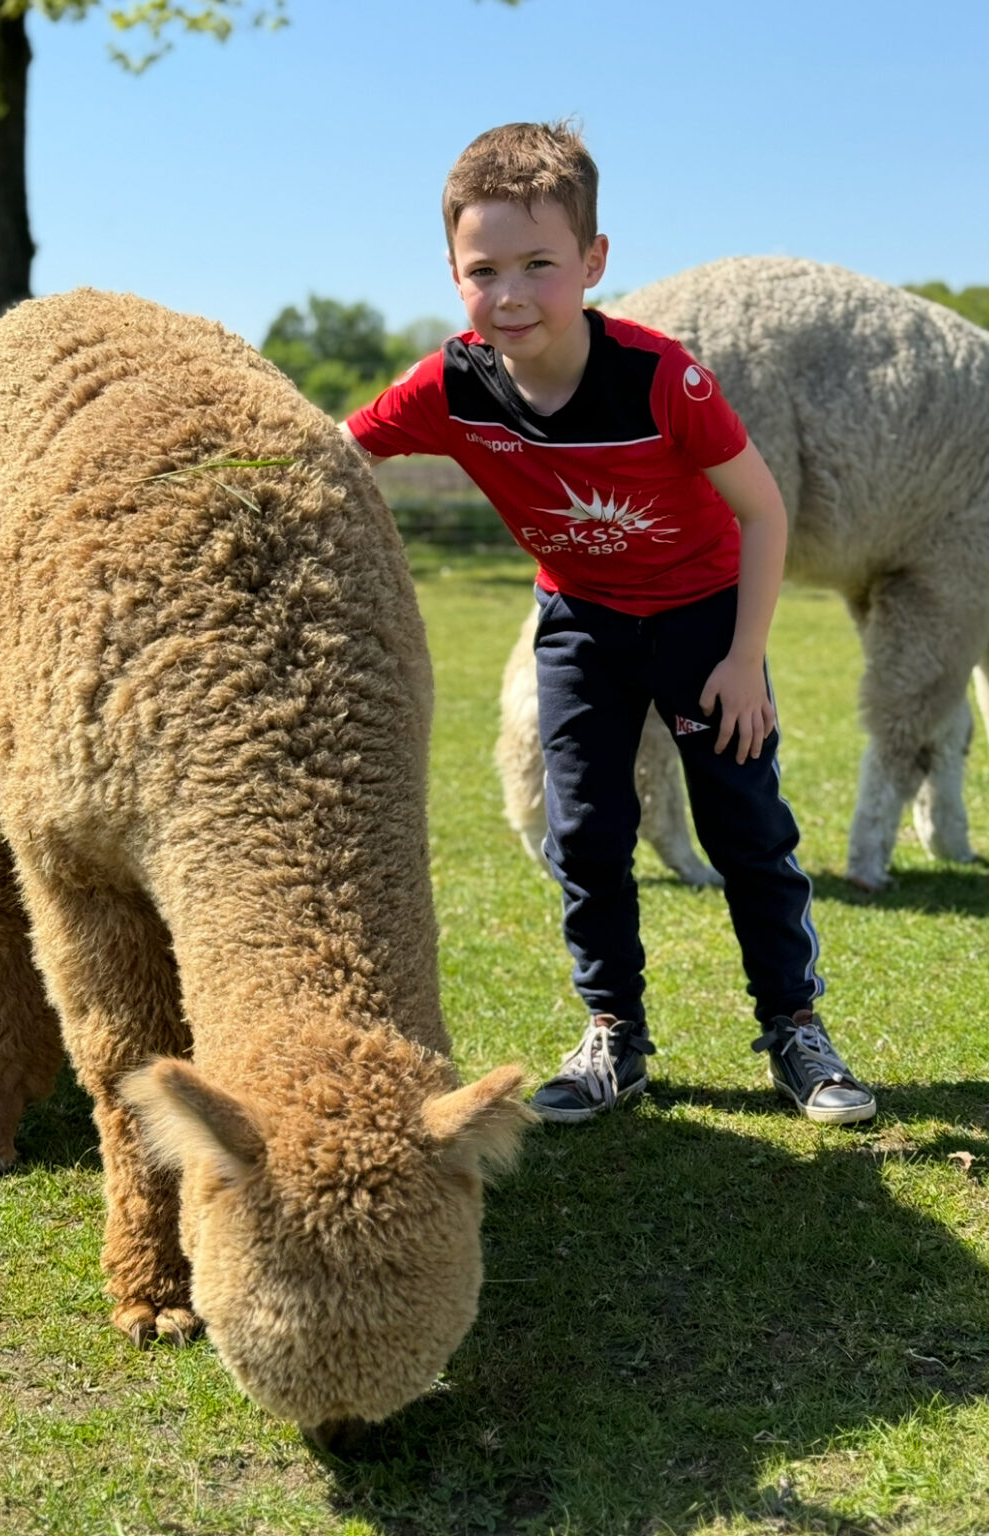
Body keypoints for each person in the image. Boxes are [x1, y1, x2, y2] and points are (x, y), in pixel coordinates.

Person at [341, 120, 876, 1128]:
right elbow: (334, 452)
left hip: (703, 621)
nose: (510, 294)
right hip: (581, 623)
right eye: (482, 268)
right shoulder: (450, 384)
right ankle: (612, 1037)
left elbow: (763, 510)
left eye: (540, 265)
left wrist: (747, 664)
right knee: (585, 834)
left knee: (746, 831)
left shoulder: (663, 380)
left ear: (592, 261)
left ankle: (797, 1031)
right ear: (453, 270)